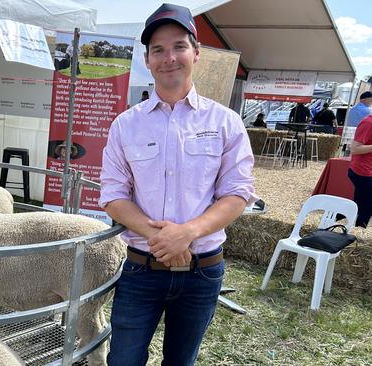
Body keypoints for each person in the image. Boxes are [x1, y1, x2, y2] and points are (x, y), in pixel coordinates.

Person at [99, 4, 255, 366]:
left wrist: (187, 233)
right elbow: (113, 195)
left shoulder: (226, 123)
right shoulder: (125, 125)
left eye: (179, 46)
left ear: (196, 53)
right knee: (123, 360)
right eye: (158, 49)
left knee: (181, 362)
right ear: (147, 60)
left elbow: (237, 194)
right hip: (141, 270)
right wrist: (165, 240)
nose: (169, 57)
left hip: (202, 271)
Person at [348, 114, 372, 228]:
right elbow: (354, 149)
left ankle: (333, 215)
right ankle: (359, 230)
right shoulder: (368, 123)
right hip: (363, 171)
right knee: (367, 204)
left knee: (358, 203)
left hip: (367, 169)